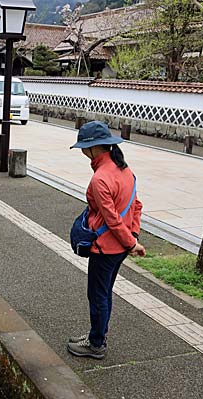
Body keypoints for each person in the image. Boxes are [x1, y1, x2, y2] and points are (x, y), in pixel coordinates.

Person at [67, 121, 145, 359]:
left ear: (93, 148)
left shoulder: (100, 178)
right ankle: (95, 334)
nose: (81, 151)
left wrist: (131, 243)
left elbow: (111, 219)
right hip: (120, 246)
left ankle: (96, 344)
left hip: (105, 249)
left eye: (83, 147)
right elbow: (137, 205)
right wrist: (133, 236)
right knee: (105, 292)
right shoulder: (124, 170)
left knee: (98, 295)